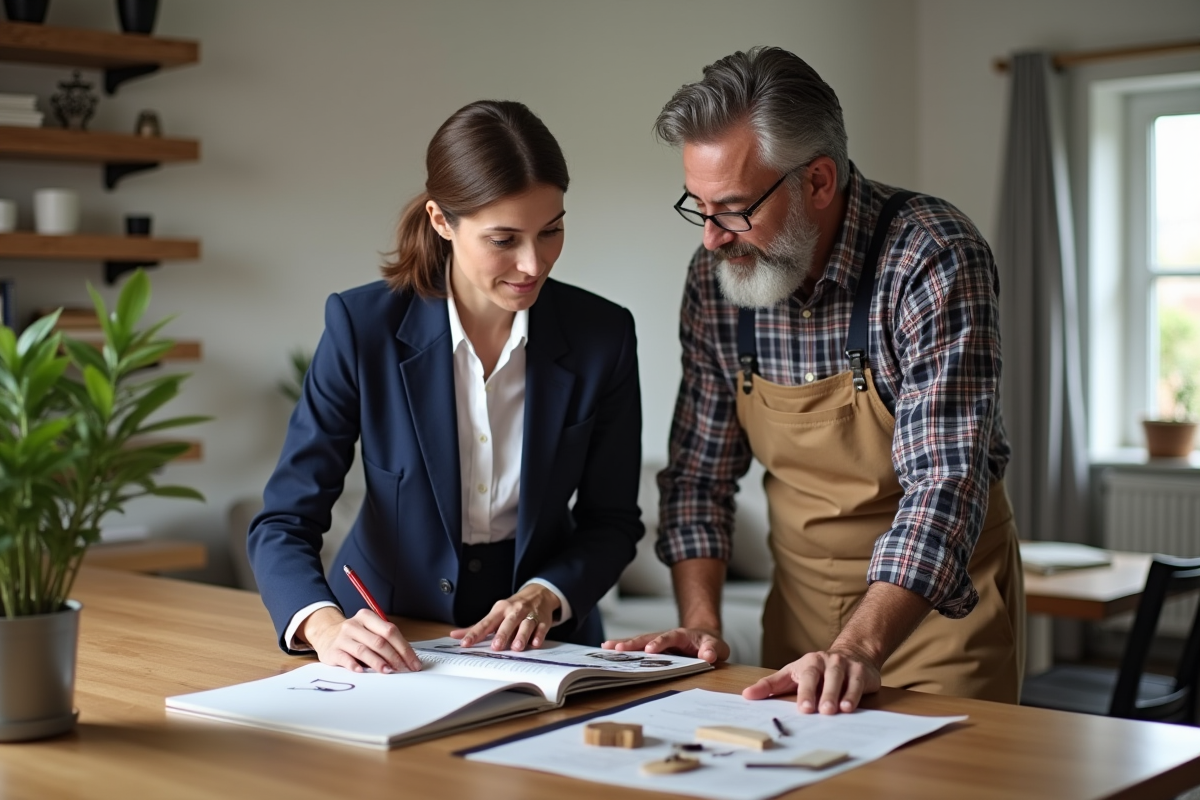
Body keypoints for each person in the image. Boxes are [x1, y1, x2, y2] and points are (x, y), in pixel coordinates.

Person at [605, 47, 1023, 714]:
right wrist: (704, 622)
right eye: (699, 207)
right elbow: (698, 477)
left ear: (819, 182)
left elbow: (946, 482)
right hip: (797, 619)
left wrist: (859, 646)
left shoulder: (933, 258)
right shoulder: (718, 281)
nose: (711, 239)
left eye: (734, 209)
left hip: (937, 618)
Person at [249, 100, 643, 675]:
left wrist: (546, 593)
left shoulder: (603, 335)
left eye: (551, 231)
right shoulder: (364, 329)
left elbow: (611, 521)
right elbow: (283, 520)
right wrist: (324, 624)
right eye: (504, 239)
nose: (534, 263)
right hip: (385, 639)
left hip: (546, 643)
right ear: (441, 221)